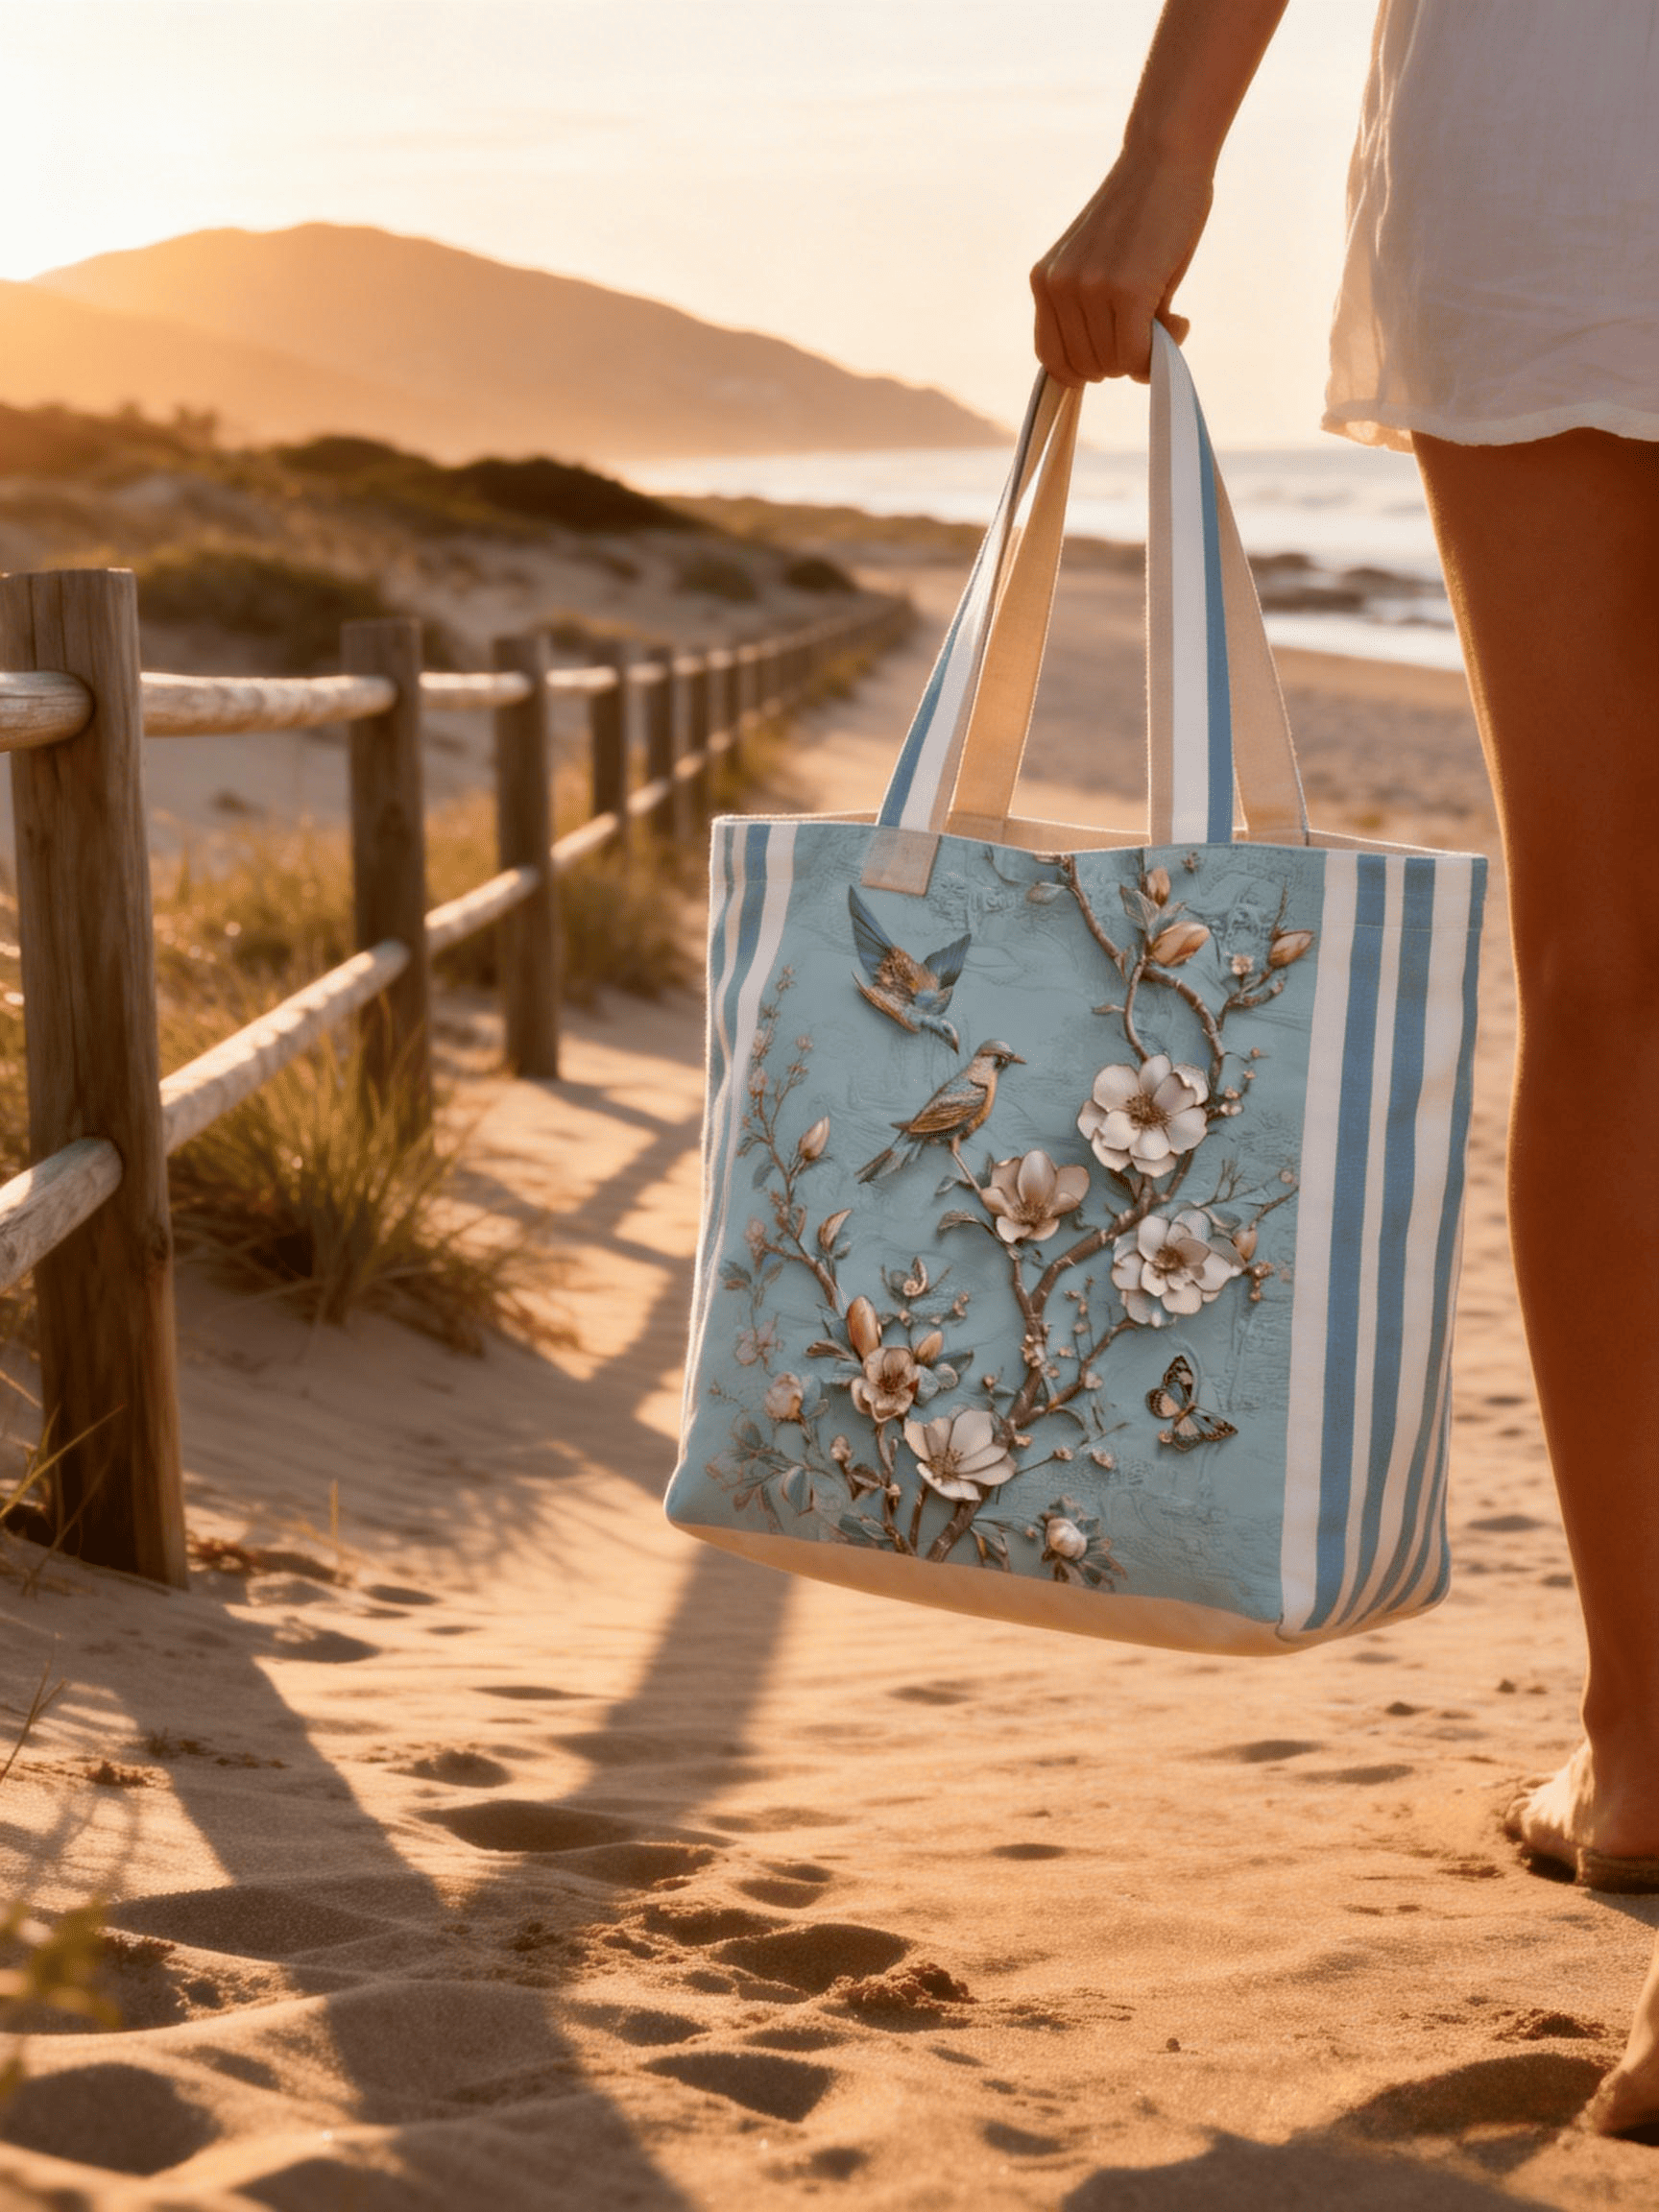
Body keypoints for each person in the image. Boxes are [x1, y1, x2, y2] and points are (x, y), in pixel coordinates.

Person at [1028, 0, 1659, 2139]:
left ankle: (1649, 1748)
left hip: (1555, 153)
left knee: (1611, 990)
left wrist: (1170, 142)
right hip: (1554, 152)